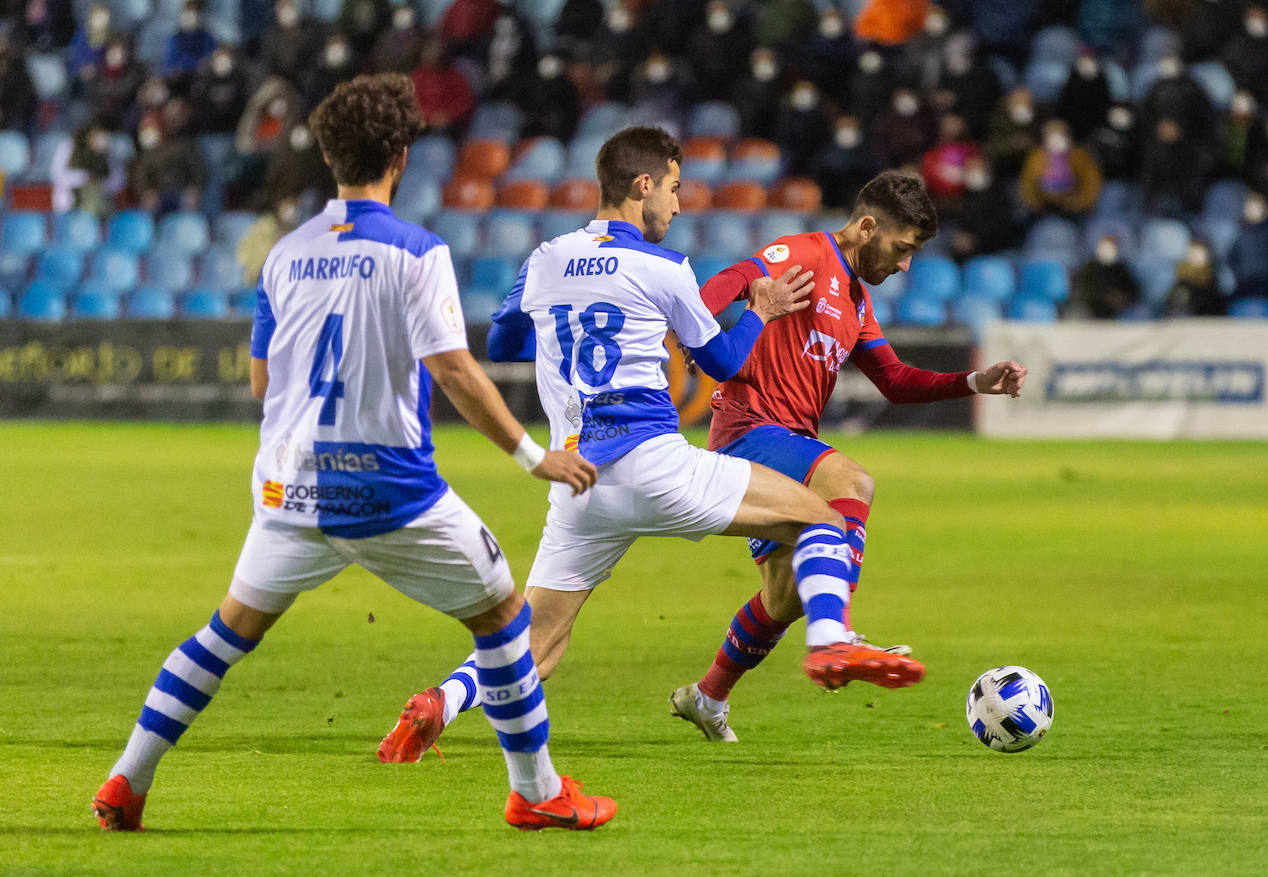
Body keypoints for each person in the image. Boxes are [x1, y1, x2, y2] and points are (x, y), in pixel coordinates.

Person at [91, 73, 614, 835]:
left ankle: (125, 781)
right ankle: (535, 792)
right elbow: (455, 371)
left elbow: (261, 381)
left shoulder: (285, 254)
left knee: (224, 633)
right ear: (400, 156)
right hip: (392, 493)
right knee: (505, 619)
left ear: (328, 156)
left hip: (290, 489)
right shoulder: (417, 253)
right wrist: (534, 454)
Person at [377, 127, 930, 763]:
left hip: (579, 481)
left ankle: (438, 703)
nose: (678, 203)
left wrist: (569, 332)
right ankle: (831, 638)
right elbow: (722, 360)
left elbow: (501, 345)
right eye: (673, 188)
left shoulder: (545, 257)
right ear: (644, 187)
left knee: (537, 644)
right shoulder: (664, 268)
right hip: (653, 465)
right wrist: (763, 312)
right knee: (824, 519)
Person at [666, 171, 1028, 741]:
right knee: (851, 481)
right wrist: (695, 328)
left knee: (783, 599)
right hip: (749, 429)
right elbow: (732, 278)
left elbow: (897, 380)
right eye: (904, 248)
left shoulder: (856, 301)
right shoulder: (807, 254)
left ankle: (707, 697)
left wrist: (976, 381)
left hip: (786, 441)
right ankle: (838, 635)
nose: (907, 265)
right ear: (866, 227)